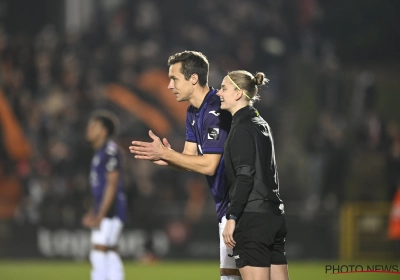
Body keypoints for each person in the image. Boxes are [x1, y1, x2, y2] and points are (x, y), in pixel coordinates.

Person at [129, 51, 242, 280]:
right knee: (233, 275)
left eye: (175, 79)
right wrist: (168, 157)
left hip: (248, 202)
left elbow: (209, 166)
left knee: (255, 273)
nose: (170, 86)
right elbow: (189, 158)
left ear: (193, 79)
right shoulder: (193, 113)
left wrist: (169, 155)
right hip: (228, 206)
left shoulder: (214, 111)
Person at [219, 71, 289, 280]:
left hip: (252, 218)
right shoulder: (262, 124)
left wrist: (232, 217)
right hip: (273, 215)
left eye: (224, 88)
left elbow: (245, 176)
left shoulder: (241, 128)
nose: (219, 93)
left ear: (238, 93)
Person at [83, 110, 127, 280]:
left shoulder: (109, 151)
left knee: (99, 250)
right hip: (106, 210)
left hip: (112, 210)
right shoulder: (99, 153)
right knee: (109, 252)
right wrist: (93, 211)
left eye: (93, 126)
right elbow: (100, 190)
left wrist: (100, 214)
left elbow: (112, 185)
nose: (89, 129)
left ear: (103, 131)